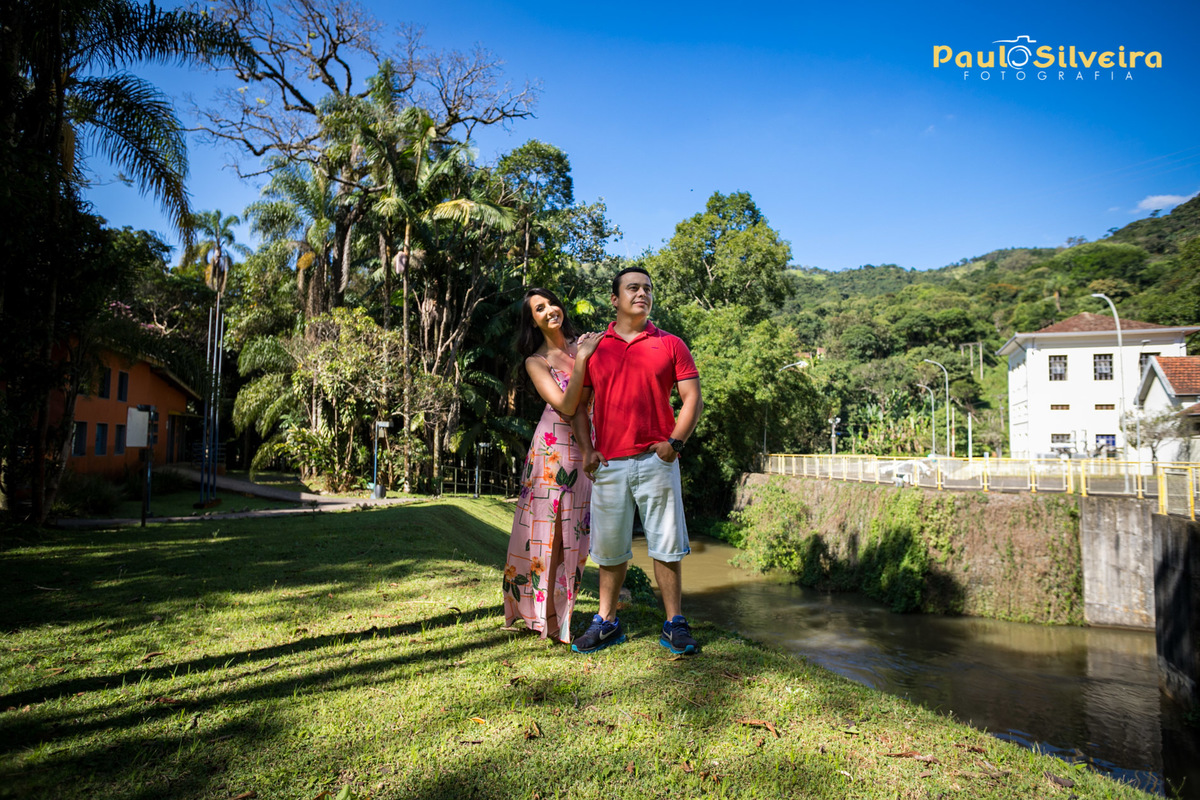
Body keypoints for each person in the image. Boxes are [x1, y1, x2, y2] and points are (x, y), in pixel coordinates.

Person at [570, 267, 704, 655]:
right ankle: (607, 621)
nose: (642, 293)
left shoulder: (671, 344)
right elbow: (579, 406)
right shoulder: (595, 348)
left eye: (647, 288)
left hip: (656, 461)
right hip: (609, 464)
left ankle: (675, 623)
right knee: (610, 548)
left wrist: (674, 443)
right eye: (633, 288)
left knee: (666, 544)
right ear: (615, 299)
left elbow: (692, 399)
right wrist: (587, 450)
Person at [502, 288, 601, 643]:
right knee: (551, 533)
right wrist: (583, 358)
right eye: (539, 309)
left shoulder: (585, 343)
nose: (549, 311)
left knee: (576, 532)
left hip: (587, 448)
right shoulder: (537, 361)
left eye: (551, 303)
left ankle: (562, 611)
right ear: (533, 321)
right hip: (552, 451)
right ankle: (546, 617)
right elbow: (568, 405)